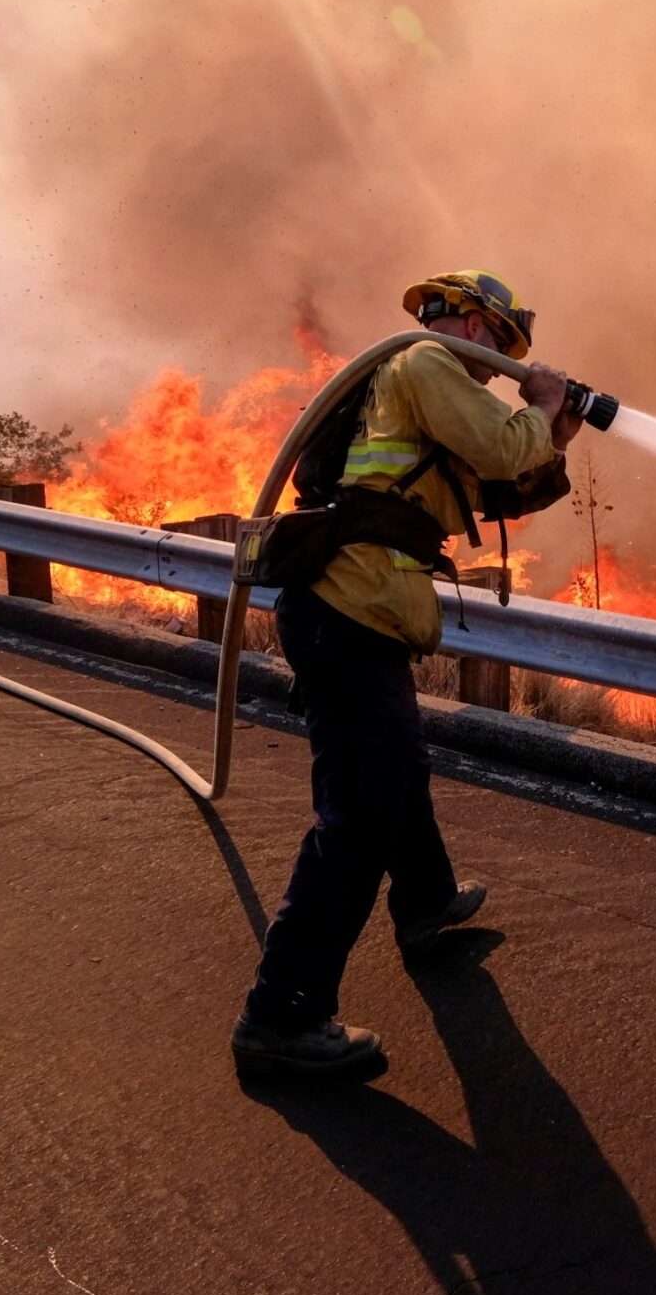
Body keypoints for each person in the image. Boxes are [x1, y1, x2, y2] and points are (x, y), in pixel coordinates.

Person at [232, 271, 582, 1077]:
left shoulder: (423, 390)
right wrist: (538, 405)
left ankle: (425, 905)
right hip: (347, 611)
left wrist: (554, 429)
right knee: (357, 817)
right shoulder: (424, 362)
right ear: (463, 317)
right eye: (495, 344)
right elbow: (501, 443)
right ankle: (281, 1015)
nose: (495, 365)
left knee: (397, 767)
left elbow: (502, 484)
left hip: (361, 611)